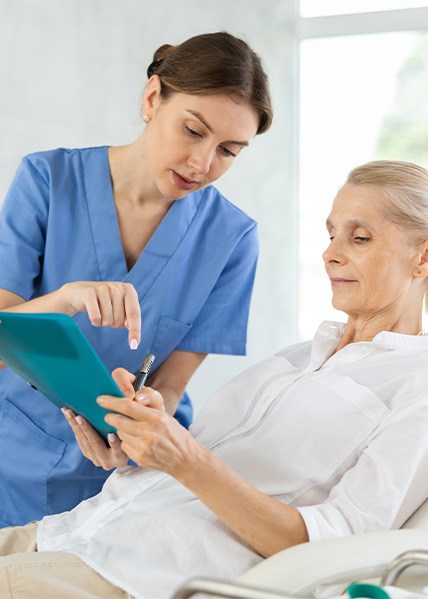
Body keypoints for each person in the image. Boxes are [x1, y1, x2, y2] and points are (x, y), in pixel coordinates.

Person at [2, 159, 428, 599]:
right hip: (70, 531)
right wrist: (136, 442)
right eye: (331, 233)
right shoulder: (294, 359)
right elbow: (196, 464)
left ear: (425, 257)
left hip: (138, 576)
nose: (330, 253)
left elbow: (337, 547)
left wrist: (182, 458)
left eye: (360, 238)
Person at [0, 31, 273, 527]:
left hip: (131, 486)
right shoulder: (46, 181)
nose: (202, 164)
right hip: (11, 458)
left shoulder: (233, 239)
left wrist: (148, 416)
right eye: (193, 131)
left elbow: (170, 386)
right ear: (152, 99)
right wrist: (63, 300)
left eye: (229, 151)